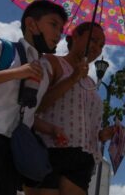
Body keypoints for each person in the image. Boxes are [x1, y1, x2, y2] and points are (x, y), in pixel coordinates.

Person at [0, 0, 68, 195]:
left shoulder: (43, 71)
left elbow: (25, 115)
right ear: (32, 24)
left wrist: (51, 129)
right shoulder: (4, 48)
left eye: (61, 28)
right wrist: (17, 73)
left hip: (12, 150)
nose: (59, 34)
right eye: (53, 24)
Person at [24, 22, 114, 195]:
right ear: (74, 38)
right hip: (48, 150)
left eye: (101, 45)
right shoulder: (52, 62)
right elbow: (33, 104)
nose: (97, 47)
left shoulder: (90, 84)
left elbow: (85, 124)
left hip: (81, 159)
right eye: (93, 40)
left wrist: (102, 135)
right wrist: (72, 78)